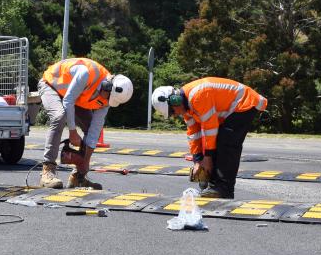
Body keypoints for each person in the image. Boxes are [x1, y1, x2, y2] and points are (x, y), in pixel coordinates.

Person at [152, 78, 267, 198]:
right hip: (232, 110)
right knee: (216, 144)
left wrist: (207, 159)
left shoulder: (198, 95)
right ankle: (214, 187)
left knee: (227, 142)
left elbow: (210, 129)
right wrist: (197, 161)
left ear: (175, 100)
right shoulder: (186, 108)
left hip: (244, 103)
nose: (174, 115)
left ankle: (223, 189)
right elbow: (194, 134)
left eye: (172, 112)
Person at [38, 57, 133, 189]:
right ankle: (47, 171)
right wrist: (72, 132)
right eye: (108, 98)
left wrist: (85, 162)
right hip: (51, 85)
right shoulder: (86, 73)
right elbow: (68, 101)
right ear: (107, 86)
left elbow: (95, 130)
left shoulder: (108, 99)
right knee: (59, 116)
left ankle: (78, 177)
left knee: (90, 126)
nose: (106, 101)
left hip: (71, 96)